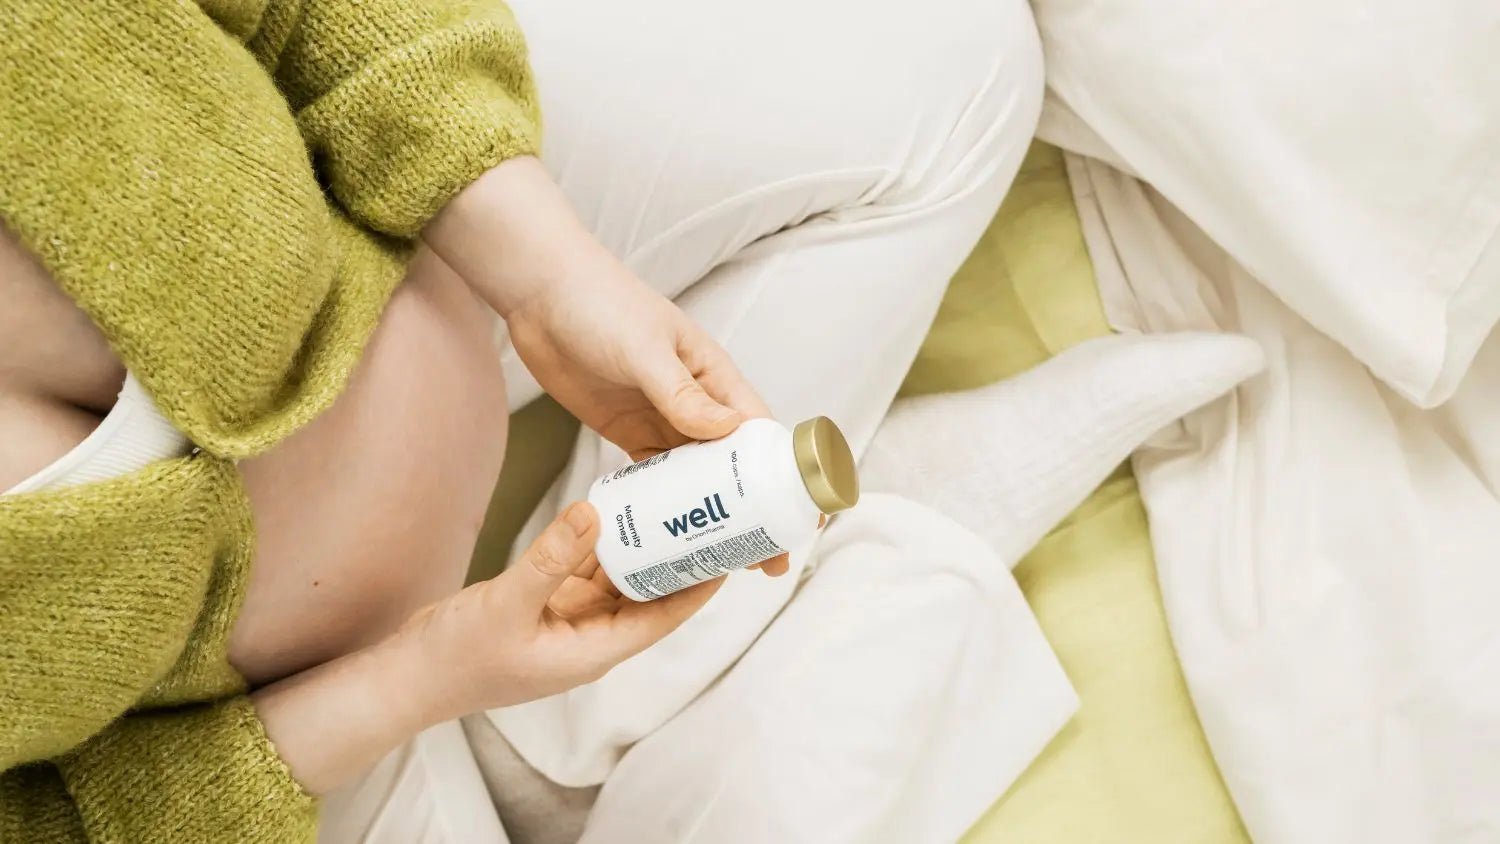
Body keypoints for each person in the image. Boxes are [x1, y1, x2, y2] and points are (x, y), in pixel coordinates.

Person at [1, 0, 1043, 841]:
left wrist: (549, 273)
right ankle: (545, 724)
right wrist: (426, 678)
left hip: (415, 225)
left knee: (960, 61)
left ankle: (557, 739)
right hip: (285, 739)